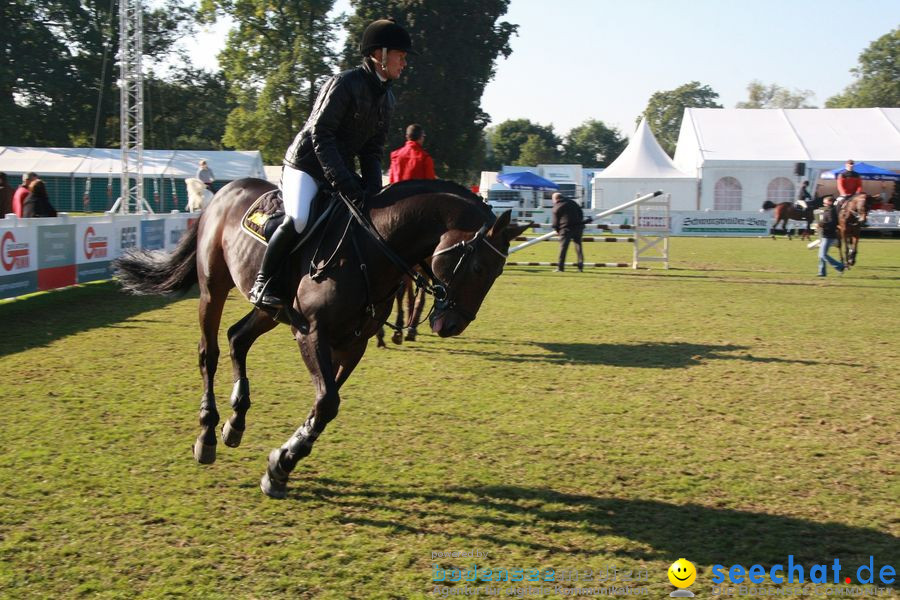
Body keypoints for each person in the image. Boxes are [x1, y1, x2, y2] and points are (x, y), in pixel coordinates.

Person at [249, 18, 415, 310]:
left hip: (336, 168)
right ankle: (263, 282)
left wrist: (373, 192)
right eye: (400, 56)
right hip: (305, 165)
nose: (404, 63)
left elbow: (372, 150)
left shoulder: (387, 98)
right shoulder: (343, 84)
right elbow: (320, 135)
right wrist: (345, 181)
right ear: (380, 54)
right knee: (299, 219)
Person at [551, 192, 585, 272]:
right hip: (578, 228)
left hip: (565, 229)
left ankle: (560, 267)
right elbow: (581, 214)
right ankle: (580, 267)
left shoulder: (557, 206)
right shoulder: (573, 203)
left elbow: (555, 222)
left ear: (555, 199)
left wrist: (557, 230)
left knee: (563, 248)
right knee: (578, 247)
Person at [816, 196, 844, 277]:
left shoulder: (831, 211)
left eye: (825, 202)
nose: (823, 203)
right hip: (825, 234)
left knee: (823, 255)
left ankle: (840, 266)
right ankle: (822, 272)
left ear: (830, 202)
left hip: (829, 236)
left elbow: (832, 224)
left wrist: (821, 224)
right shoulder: (827, 210)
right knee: (821, 255)